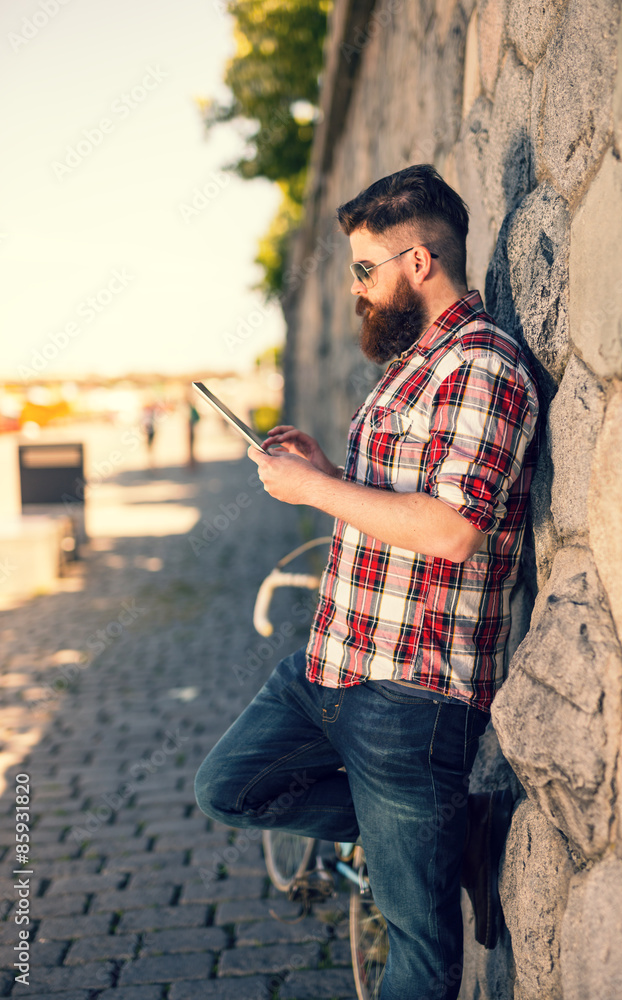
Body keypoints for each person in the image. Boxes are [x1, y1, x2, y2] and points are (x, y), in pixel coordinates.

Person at [195, 164, 539, 999]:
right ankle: (454, 836)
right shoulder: (409, 360)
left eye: (364, 268)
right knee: (230, 787)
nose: (357, 288)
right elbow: (391, 506)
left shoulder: (484, 368)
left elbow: (451, 530)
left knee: (417, 956)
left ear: (417, 263)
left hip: (414, 697)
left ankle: (436, 837)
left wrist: (313, 490)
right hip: (329, 660)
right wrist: (327, 470)